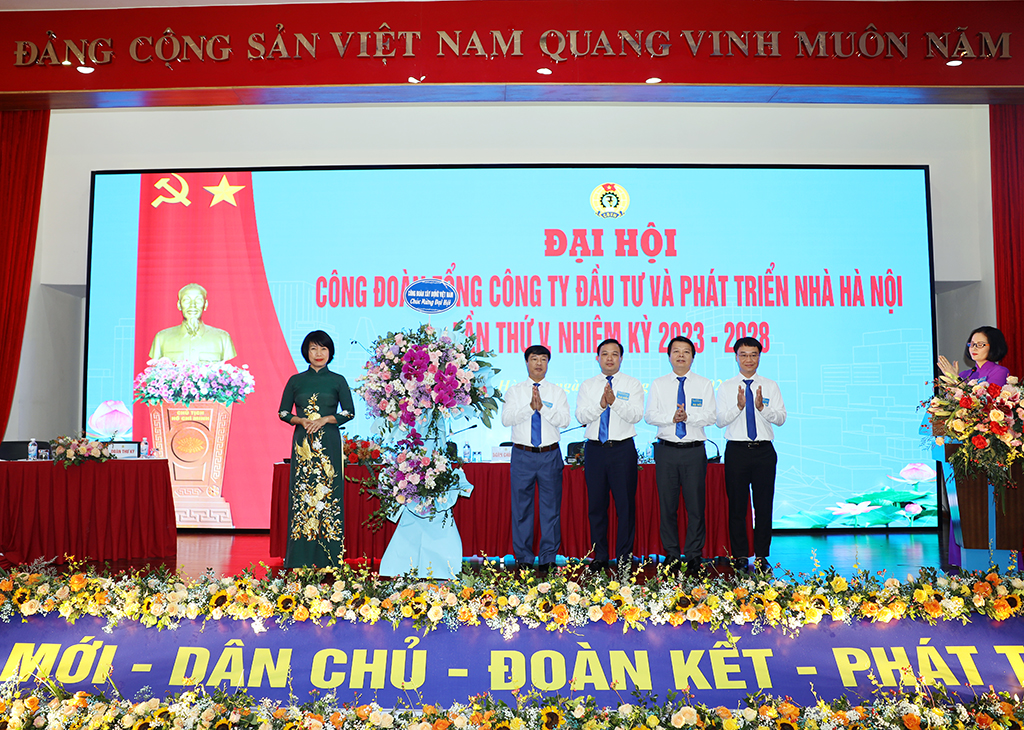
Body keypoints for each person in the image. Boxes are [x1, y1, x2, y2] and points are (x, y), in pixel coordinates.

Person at [278, 330, 354, 568]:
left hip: (329, 441)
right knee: (303, 495)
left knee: (329, 494)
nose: (318, 353)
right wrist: (301, 421)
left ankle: (330, 557)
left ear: (330, 352)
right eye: (313, 348)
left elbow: (349, 412)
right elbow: (283, 412)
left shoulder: (338, 380)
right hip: (303, 442)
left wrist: (325, 420)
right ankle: (300, 557)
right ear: (306, 352)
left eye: (323, 348)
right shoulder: (296, 380)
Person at [644, 336, 716, 575]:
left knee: (695, 507)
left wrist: (688, 418)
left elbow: (711, 416)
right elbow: (649, 416)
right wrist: (671, 418)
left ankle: (694, 555)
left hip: (694, 451)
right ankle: (672, 554)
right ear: (669, 356)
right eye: (676, 351)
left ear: (693, 357)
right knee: (667, 506)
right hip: (666, 451)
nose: (681, 355)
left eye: (686, 351)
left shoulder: (704, 384)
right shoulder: (658, 384)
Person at [715, 337, 786, 574]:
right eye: (743, 355)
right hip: (736, 451)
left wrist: (762, 408)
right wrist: (738, 406)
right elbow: (719, 421)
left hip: (764, 452)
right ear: (736, 357)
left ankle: (762, 555)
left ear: (759, 357)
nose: (748, 359)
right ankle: (740, 555)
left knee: (764, 506)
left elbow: (781, 418)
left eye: (753, 355)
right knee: (737, 507)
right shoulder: (726, 387)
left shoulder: (770, 385)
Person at [575, 338, 644, 572]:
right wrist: (601, 405)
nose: (610, 358)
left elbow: (636, 415)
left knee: (625, 506)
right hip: (595, 450)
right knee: (596, 506)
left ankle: (624, 557)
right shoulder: (588, 385)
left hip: (622, 449)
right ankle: (601, 555)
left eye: (615, 354)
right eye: (605, 354)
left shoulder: (632, 384)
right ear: (598, 358)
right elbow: (581, 416)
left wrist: (615, 403)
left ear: (621, 358)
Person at [501, 344, 570, 576]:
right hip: (522, 455)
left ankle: (548, 557)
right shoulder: (514, 391)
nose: (539, 363)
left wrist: (543, 409)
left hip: (550, 454)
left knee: (551, 509)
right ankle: (524, 558)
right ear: (526, 362)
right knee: (522, 509)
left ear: (548, 363)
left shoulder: (557, 392)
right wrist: (530, 408)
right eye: (534, 359)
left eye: (543, 359)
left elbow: (564, 420)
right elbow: (506, 419)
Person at [149, 283, 237, 362]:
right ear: (179, 305)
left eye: (198, 300)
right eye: (186, 300)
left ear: (205, 305)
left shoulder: (223, 338)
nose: (193, 305)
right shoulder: (162, 338)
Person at [937, 325, 1010, 387]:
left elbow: (987, 398)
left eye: (980, 345)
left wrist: (956, 378)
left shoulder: (1000, 372)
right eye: (972, 344)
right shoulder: (964, 374)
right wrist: (950, 380)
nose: (974, 348)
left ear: (993, 346)